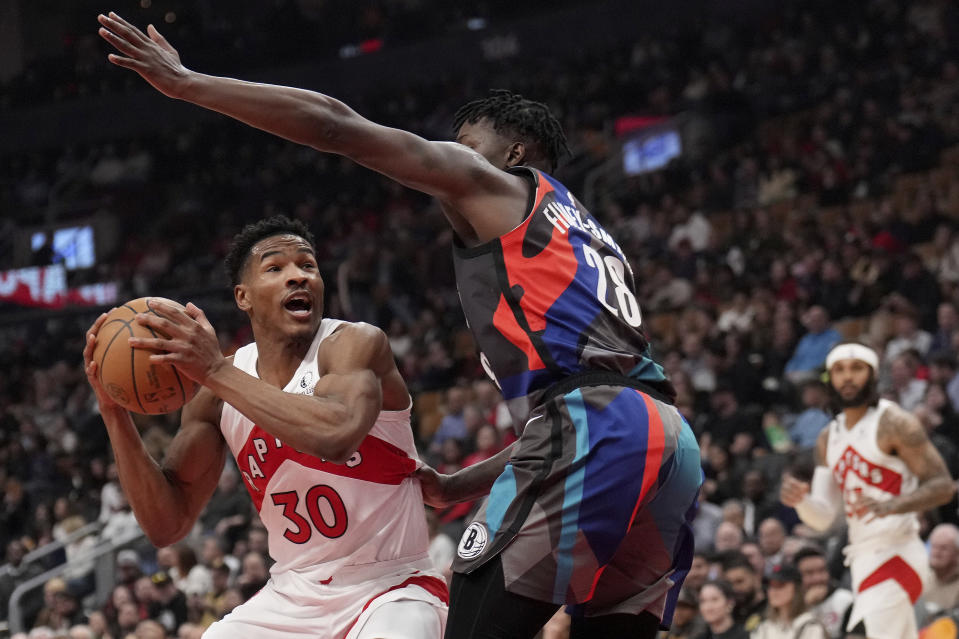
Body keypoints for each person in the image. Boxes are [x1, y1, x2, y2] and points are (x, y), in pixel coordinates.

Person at [96, 11, 701, 639]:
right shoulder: (583, 232)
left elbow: (337, 126)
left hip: (596, 430)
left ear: (511, 155)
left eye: (465, 144)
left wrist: (189, 85)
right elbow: (596, 406)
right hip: (665, 441)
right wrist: (458, 483)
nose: (450, 160)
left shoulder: (489, 187)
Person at [83, 216, 448, 638]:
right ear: (244, 297)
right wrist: (114, 412)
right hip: (292, 595)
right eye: (276, 268)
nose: (298, 277)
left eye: (308, 266)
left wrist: (216, 370)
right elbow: (168, 525)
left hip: (391, 587)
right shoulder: (217, 389)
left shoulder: (352, 344)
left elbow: (336, 435)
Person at [780, 342, 956, 639]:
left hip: (898, 548)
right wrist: (803, 502)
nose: (848, 377)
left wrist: (894, 505)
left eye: (857, 369)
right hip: (861, 556)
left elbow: (943, 486)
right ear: (829, 379)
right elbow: (823, 518)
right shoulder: (827, 438)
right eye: (839, 370)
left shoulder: (895, 422)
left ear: (873, 376)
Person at [750, 564, 826, 639]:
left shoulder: (809, 625)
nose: (773, 592)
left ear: (796, 589)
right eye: (770, 586)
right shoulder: (764, 627)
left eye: (780, 585)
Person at [792, 546, 853, 639]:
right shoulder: (789, 605)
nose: (818, 578)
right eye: (809, 573)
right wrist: (805, 607)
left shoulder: (845, 601)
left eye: (822, 570)